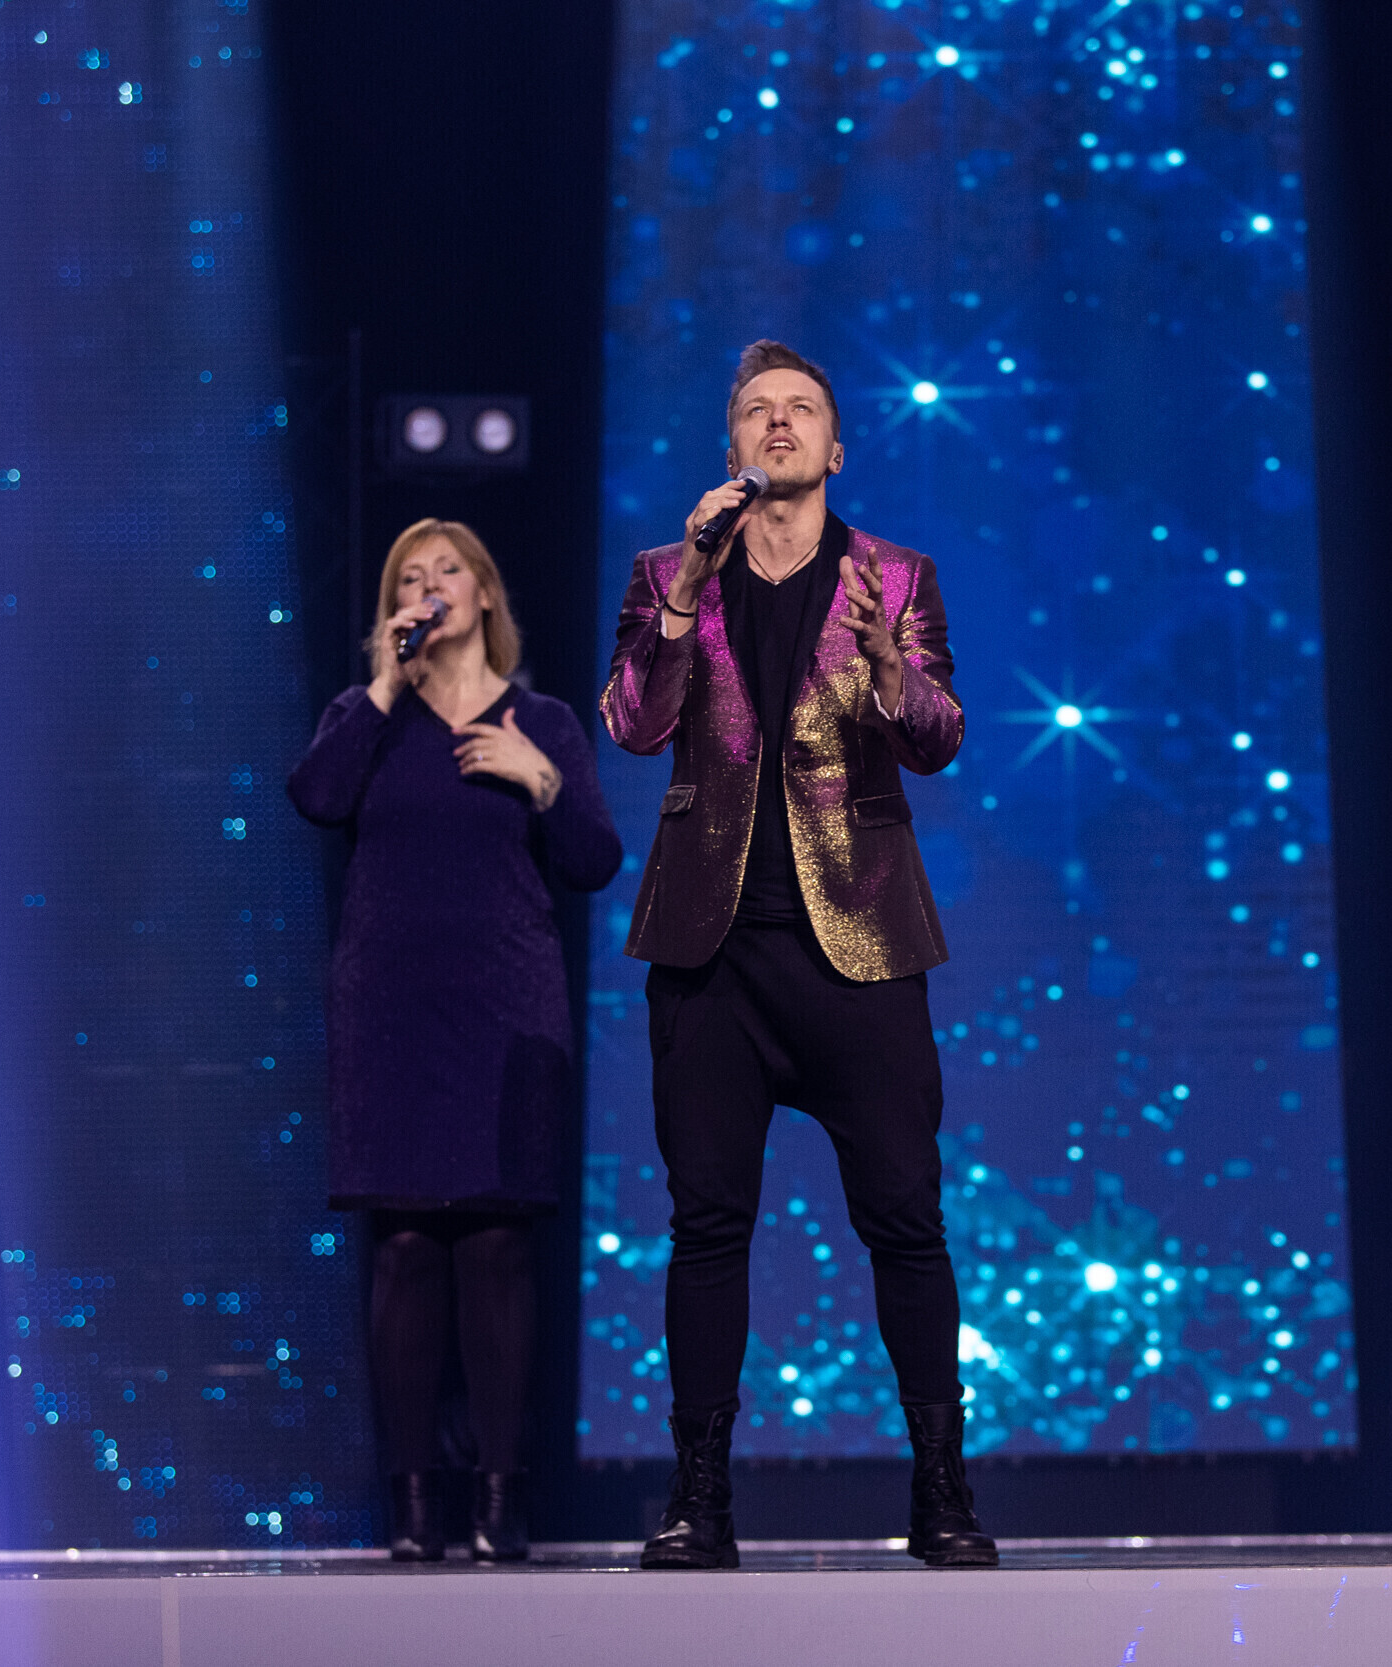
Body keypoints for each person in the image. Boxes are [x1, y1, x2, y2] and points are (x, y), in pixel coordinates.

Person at [601, 338, 995, 1571]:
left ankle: (941, 1488)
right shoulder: (667, 573)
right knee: (706, 1221)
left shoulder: (896, 574)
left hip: (860, 943)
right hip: (710, 949)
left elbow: (939, 737)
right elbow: (633, 723)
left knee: (905, 1218)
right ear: (730, 449)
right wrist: (682, 592)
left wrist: (886, 669)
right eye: (758, 411)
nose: (780, 424)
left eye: (802, 410)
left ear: (836, 447)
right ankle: (698, 1497)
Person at [288, 519, 620, 1562]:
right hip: (390, 1009)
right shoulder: (367, 715)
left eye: (447, 572)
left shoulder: (544, 721)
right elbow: (316, 796)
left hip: (504, 1008)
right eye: (409, 578)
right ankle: (411, 1502)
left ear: (483, 594)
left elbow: (594, 859)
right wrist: (386, 686)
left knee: (494, 1245)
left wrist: (540, 778)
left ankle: (499, 1496)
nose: (428, 588)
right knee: (401, 1249)